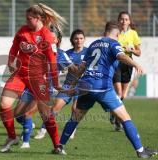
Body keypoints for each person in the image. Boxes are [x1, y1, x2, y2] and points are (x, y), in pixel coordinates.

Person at [55, 21, 158, 158]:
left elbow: (81, 68)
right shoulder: (113, 43)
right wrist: (135, 64)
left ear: (105, 32)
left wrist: (73, 84)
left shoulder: (93, 44)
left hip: (86, 86)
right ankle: (140, 151)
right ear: (117, 34)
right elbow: (121, 56)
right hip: (102, 88)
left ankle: (60, 146)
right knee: (125, 118)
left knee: (75, 118)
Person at [0, 3, 66, 153]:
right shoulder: (22, 31)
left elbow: (52, 61)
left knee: (45, 113)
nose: (26, 21)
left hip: (38, 78)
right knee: (4, 104)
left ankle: (57, 146)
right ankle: (12, 137)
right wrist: (11, 61)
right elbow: (14, 47)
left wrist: (55, 82)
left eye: (29, 19)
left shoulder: (46, 36)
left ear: (38, 18)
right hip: (20, 75)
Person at [14, 25, 76, 149]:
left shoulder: (61, 55)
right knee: (17, 114)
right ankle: (29, 126)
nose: (49, 40)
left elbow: (73, 68)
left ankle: (26, 143)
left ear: (57, 41)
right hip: (30, 85)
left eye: (52, 38)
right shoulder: (38, 50)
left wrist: (73, 70)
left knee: (28, 113)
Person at [34, 29, 88, 140]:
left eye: (81, 38)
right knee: (55, 108)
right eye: (76, 38)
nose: (79, 41)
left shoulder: (89, 53)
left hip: (83, 85)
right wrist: (64, 69)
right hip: (69, 85)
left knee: (75, 109)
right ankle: (43, 130)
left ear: (84, 39)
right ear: (72, 40)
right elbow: (61, 67)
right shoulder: (67, 53)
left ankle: (72, 129)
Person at [111, 11, 141, 131]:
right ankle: (118, 118)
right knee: (118, 93)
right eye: (122, 19)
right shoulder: (115, 33)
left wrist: (132, 50)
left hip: (128, 65)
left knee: (123, 95)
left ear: (129, 21)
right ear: (118, 21)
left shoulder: (133, 34)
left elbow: (139, 53)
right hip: (117, 63)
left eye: (126, 19)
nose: (124, 21)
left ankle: (114, 115)